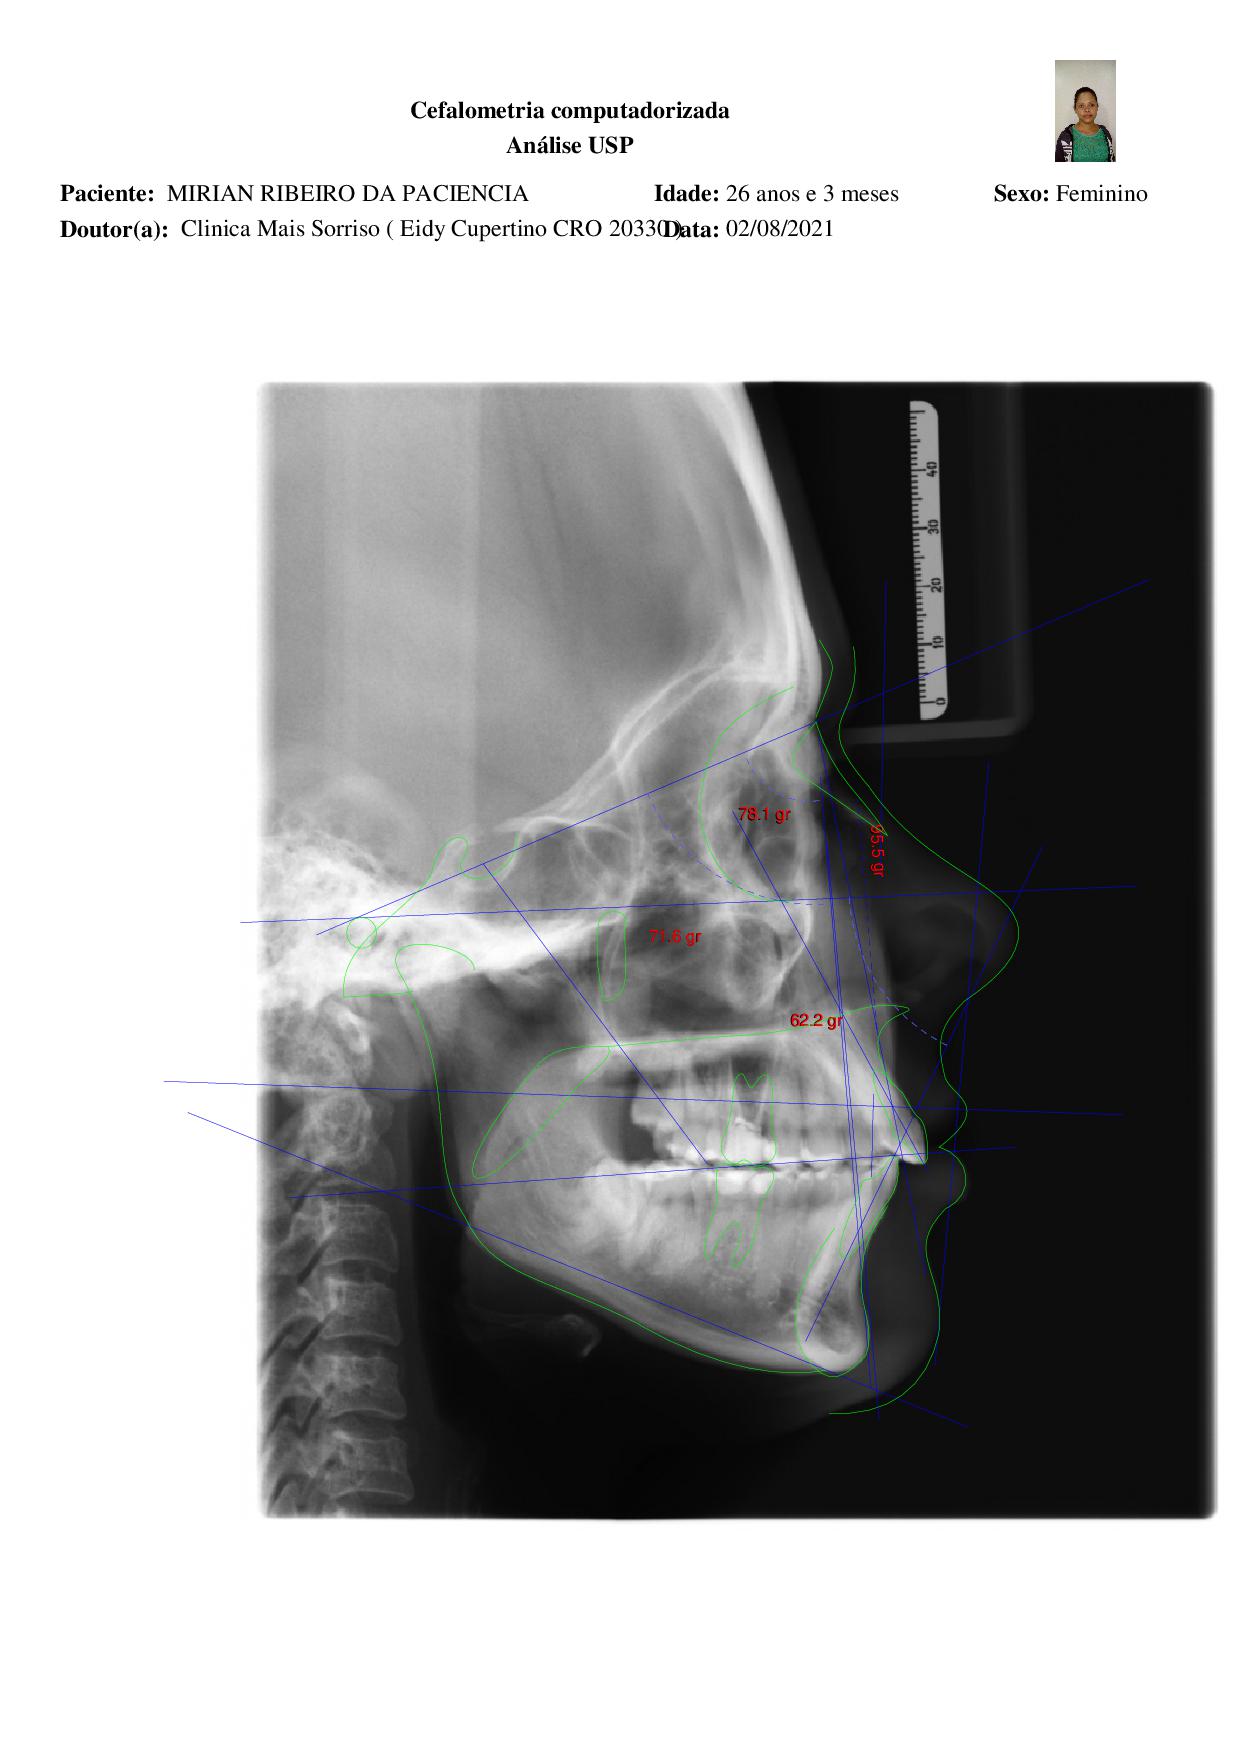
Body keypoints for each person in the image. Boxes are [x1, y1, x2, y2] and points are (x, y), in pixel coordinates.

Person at [1056, 85, 1115, 161]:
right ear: (1075, 109)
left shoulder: (1105, 134)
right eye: (1081, 106)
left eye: (1091, 105)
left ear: (1097, 107)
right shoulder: (1065, 138)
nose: (1087, 109)